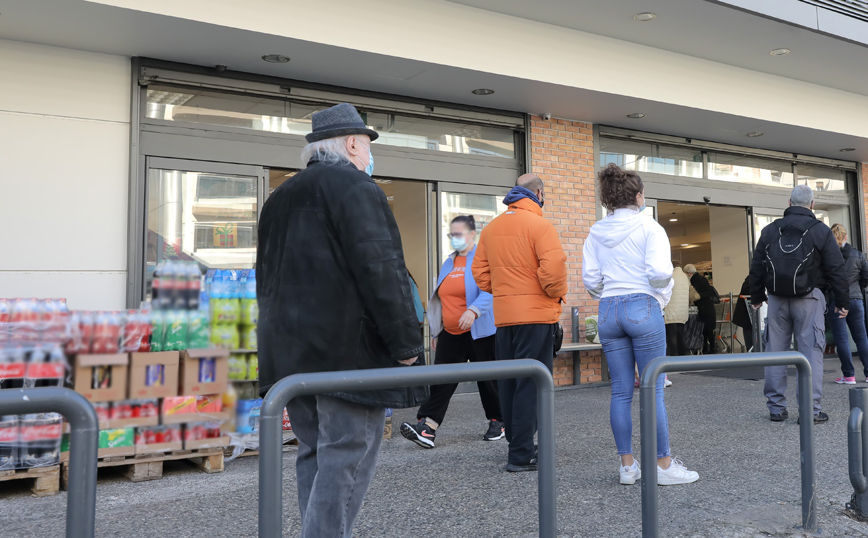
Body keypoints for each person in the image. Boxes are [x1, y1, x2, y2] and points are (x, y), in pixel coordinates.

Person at [256, 103, 425, 537]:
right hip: (348, 353)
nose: (370, 155)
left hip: (290, 354)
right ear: (352, 143)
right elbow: (381, 269)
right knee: (348, 453)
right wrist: (406, 346)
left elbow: (268, 280)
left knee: (314, 451)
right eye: (367, 145)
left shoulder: (279, 198)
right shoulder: (356, 188)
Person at [583, 163, 699, 487]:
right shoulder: (650, 228)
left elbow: (591, 280)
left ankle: (627, 466)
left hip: (608, 310)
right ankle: (662, 465)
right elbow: (661, 273)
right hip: (642, 306)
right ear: (638, 195)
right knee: (654, 390)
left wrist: (609, 292)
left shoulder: (595, 232)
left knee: (620, 392)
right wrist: (657, 295)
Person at [473, 173, 567, 472]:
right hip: (536, 317)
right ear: (538, 193)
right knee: (531, 384)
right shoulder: (540, 225)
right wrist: (554, 295)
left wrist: (504, 290)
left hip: (504, 318)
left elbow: (480, 273)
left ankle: (518, 444)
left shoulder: (491, 228)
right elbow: (554, 274)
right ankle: (521, 455)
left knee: (510, 384)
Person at [401, 215, 503, 448]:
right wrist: (437, 332)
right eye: (451, 234)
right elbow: (441, 299)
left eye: (458, 234)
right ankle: (427, 427)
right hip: (451, 332)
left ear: (472, 235)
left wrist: (474, 311)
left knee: (488, 380)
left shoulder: (482, 259)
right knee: (442, 380)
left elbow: (491, 290)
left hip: (480, 332)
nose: (453, 239)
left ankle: (499, 420)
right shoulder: (449, 262)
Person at [749, 185, 848, 424]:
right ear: (812, 205)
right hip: (810, 299)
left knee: (775, 353)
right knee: (810, 352)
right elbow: (836, 268)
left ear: (790, 202)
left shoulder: (771, 230)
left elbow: (757, 264)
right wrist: (842, 301)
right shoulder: (820, 230)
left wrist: (756, 296)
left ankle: (776, 408)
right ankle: (810, 411)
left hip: (776, 300)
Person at [828, 224, 868, 384]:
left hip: (837, 301)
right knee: (861, 337)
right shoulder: (858, 255)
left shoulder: (829, 257)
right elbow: (866, 276)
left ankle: (849, 375)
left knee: (842, 339)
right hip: (856, 300)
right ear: (846, 236)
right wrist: (859, 287)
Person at [684, 265, 717, 354]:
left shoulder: (696, 280)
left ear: (690, 273)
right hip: (708, 308)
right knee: (708, 330)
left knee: (706, 331)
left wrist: (698, 296)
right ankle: (710, 349)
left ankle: (709, 349)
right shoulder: (700, 279)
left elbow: (707, 292)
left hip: (705, 308)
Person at [664, 260, 690, 357]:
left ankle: (674, 356)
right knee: (680, 334)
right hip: (682, 311)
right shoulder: (685, 276)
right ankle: (683, 355)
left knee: (672, 336)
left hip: (671, 310)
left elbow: (665, 291)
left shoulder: (671, 276)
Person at [732, 276, 754, 352]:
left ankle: (751, 350)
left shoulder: (752, 277)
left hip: (749, 315)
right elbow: (748, 290)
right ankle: (751, 351)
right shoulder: (752, 278)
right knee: (749, 336)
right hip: (747, 314)